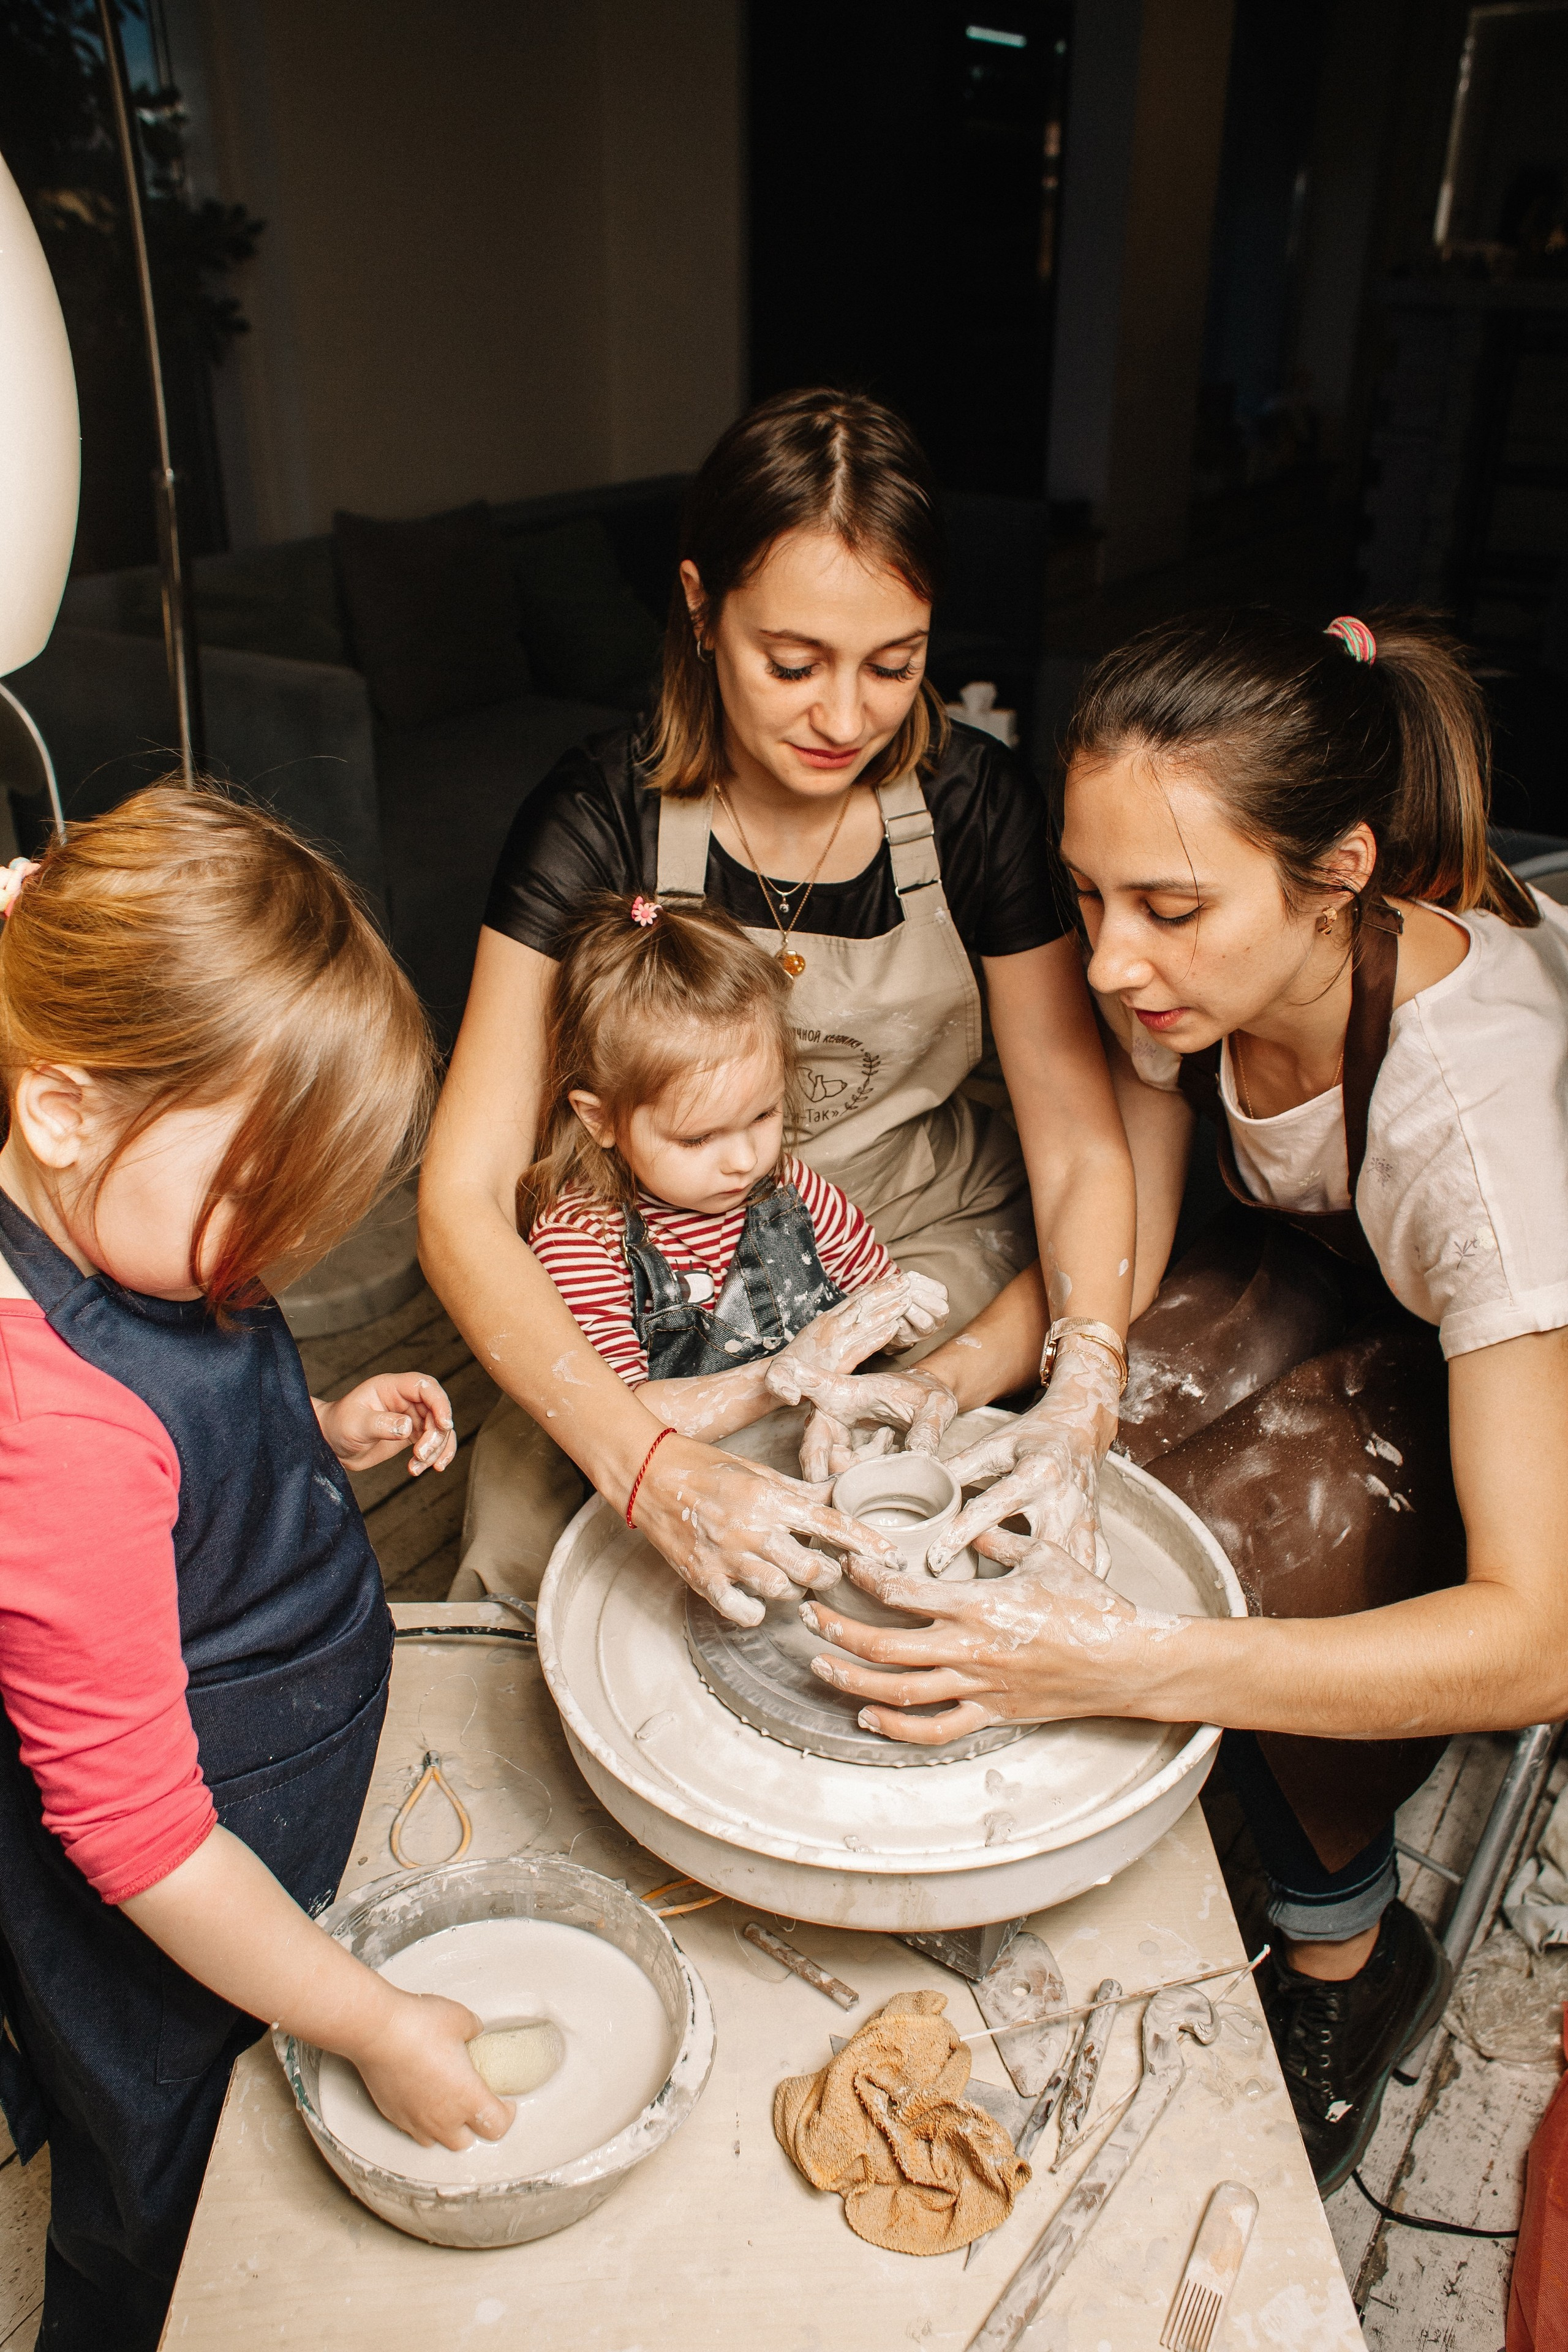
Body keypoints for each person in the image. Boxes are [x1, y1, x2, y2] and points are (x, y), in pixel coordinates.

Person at [796, 608, 1568, 2195]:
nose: (1109, 959)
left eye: (1168, 907)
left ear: (1338, 873)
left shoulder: (1482, 1128)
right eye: (1088, 895)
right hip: (1350, 1261)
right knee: (1105, 1465)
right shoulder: (1185, 992)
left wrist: (1126, 1664)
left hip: (1528, 1360)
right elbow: (1119, 1263)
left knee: (1271, 1531)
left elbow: (1536, 1638)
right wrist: (953, 1385)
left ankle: (1349, 1967)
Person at [420, 387, 1136, 1615]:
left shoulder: (975, 808)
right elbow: (462, 1193)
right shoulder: (599, 813)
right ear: (700, 609)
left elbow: (1075, 1149)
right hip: (653, 1238)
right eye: (792, 663)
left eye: (894, 666)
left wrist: (1075, 1383)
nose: (846, 718)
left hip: (901, 1226)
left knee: (905, 1517)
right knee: (535, 1530)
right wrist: (644, 1464)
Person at [0, 790, 518, 2352]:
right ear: (65, 1111)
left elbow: (182, 1446)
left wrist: (311, 1428)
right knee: (170, 2185)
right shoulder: (52, 1427)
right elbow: (148, 1842)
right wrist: (364, 2016)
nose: (278, 1254)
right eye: (258, 1198)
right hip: (156, 1902)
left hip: (272, 1809)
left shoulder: (129, 1217)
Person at [522, 888, 954, 1561]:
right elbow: (619, 1419)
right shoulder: (584, 1242)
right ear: (599, 1117)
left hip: (814, 1456)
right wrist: (785, 1372)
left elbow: (869, 1307)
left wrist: (895, 1308)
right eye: (698, 1139)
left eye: (762, 1116)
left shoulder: (792, 1191)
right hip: (679, 1503)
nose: (745, 1159)